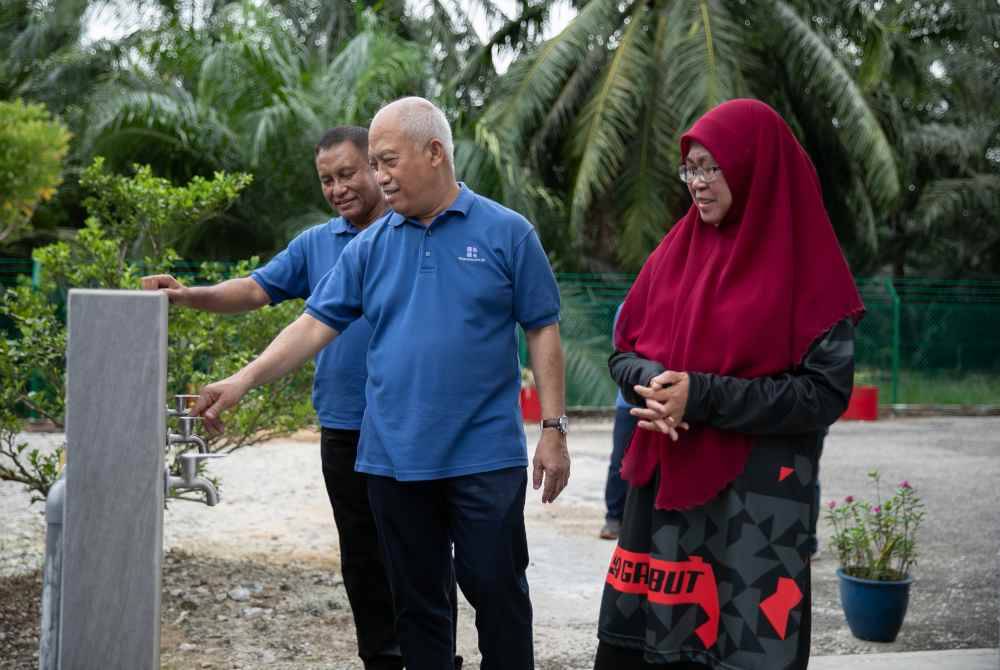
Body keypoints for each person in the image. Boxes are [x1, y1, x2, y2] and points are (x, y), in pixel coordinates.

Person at [189, 96, 571, 670]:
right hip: (392, 459)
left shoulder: (508, 233)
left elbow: (542, 330)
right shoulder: (369, 246)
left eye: (387, 161)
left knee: (496, 592)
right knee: (416, 606)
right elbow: (313, 326)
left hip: (483, 455)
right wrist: (242, 380)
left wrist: (553, 428)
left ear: (435, 152)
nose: (379, 176)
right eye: (376, 163)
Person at [594, 99, 862, 670]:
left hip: (756, 511)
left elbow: (823, 394)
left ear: (754, 166)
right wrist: (654, 383)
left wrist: (704, 396)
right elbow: (624, 350)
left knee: (742, 649)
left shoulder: (806, 267)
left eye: (712, 167)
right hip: (665, 508)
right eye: (690, 167)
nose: (697, 182)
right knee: (653, 650)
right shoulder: (675, 253)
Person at [142, 126, 411, 670]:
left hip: (410, 424)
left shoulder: (417, 231)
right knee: (361, 559)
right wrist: (186, 295)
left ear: (378, 168)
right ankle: (382, 660)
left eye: (347, 174)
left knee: (418, 553)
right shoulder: (317, 244)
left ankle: (431, 657)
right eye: (326, 180)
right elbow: (255, 289)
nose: (337, 188)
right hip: (344, 425)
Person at [601, 303, 637, 541]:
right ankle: (613, 517)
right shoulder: (628, 307)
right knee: (620, 461)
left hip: (666, 399)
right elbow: (620, 350)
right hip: (629, 400)